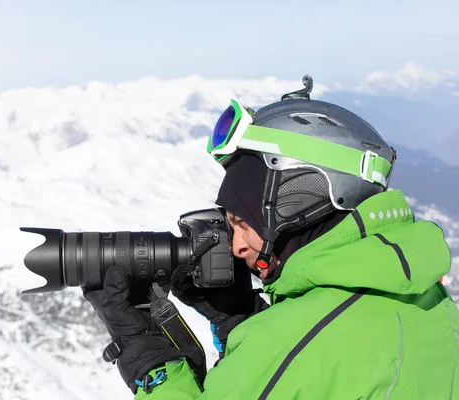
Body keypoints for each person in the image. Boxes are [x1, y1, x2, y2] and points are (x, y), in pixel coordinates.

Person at [83, 77, 459, 399]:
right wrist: (245, 321)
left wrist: (149, 362)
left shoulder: (293, 344)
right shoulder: (421, 292)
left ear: (297, 206)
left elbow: (303, 354)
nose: (236, 246)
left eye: (242, 223)